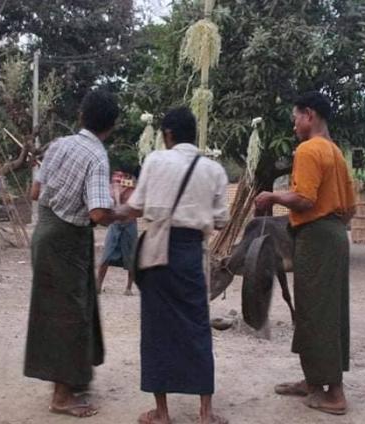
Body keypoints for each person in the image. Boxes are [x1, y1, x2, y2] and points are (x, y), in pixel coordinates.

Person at [118, 107, 229, 424]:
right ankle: (205, 412)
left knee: (157, 330)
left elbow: (136, 207)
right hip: (191, 253)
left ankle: (162, 413)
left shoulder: (155, 161)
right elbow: (221, 220)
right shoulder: (214, 170)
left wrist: (115, 210)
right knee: (197, 328)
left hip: (157, 254)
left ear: (168, 134)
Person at [254, 91, 356, 416]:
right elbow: (350, 207)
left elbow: (305, 199)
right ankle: (313, 381)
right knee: (325, 310)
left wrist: (272, 197)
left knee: (316, 314)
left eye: (296, 117)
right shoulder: (335, 152)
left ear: (309, 115)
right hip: (334, 234)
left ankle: (334, 394)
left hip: (317, 236)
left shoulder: (309, 149)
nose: (294, 125)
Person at [24, 89, 124, 418]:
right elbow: (98, 213)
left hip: (45, 232)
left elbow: (35, 191)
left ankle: (76, 378)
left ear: (81, 116)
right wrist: (124, 213)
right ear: (112, 126)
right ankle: (62, 396)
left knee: (63, 309)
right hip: (66, 239)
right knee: (68, 314)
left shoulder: (58, 145)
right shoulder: (97, 156)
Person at [97, 169, 138, 295]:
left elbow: (135, 206)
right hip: (115, 224)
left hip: (130, 224)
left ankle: (128, 288)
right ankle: (98, 285)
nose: (120, 178)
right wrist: (117, 192)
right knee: (106, 256)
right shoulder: (112, 187)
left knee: (131, 257)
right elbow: (109, 203)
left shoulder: (134, 188)